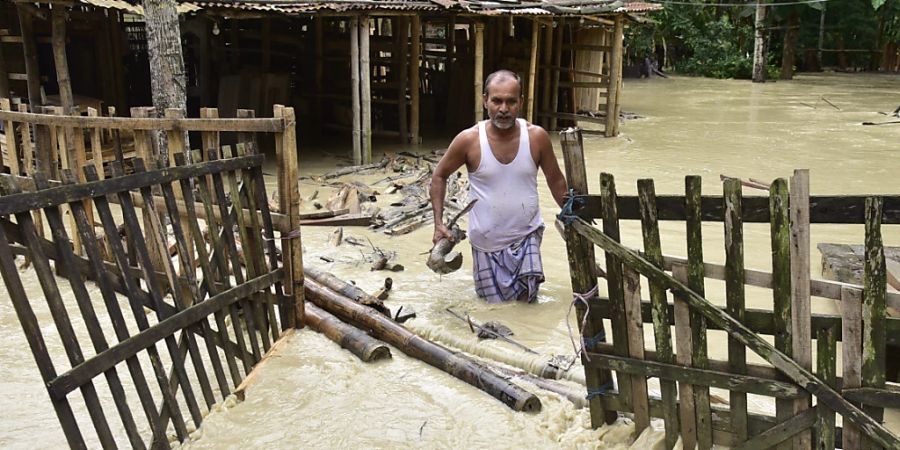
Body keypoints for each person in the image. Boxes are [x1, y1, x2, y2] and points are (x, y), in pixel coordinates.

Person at [430, 69, 567, 303]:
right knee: (492, 310)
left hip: (526, 236)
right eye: (497, 101)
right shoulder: (469, 140)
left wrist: (572, 216)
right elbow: (439, 176)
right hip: (485, 243)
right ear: (485, 101)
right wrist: (438, 224)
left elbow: (556, 180)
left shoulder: (536, 137)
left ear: (521, 103)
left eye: (511, 101)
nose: (504, 109)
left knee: (527, 305)